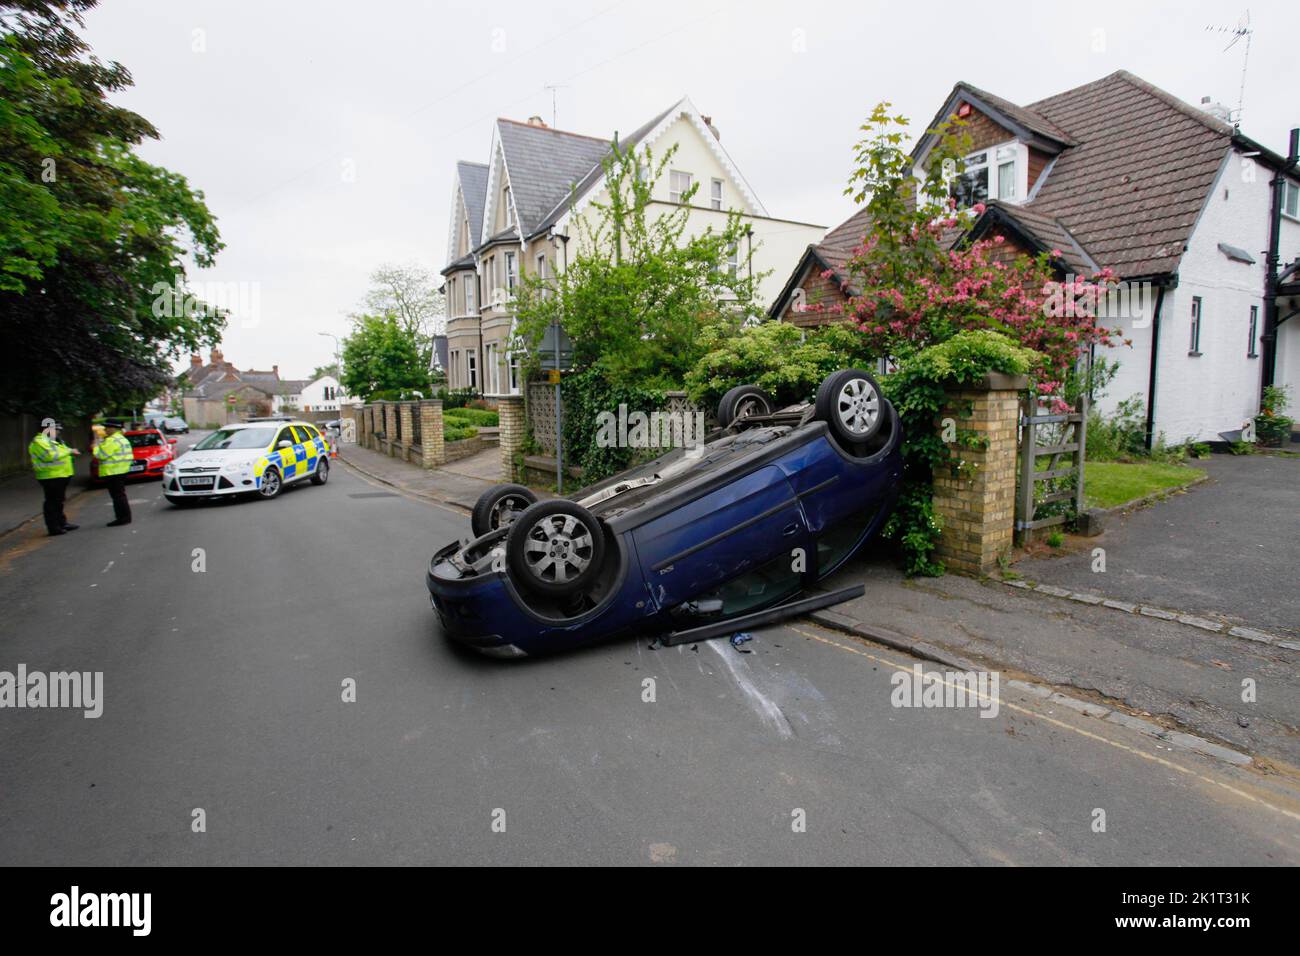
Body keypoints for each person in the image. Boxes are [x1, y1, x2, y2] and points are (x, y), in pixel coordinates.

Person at [28, 418, 81, 537]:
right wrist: (70, 451)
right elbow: (50, 456)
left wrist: (71, 453)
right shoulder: (39, 441)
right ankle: (54, 527)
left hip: (60, 475)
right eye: (56, 429)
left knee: (59, 501)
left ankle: (62, 523)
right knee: (52, 502)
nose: (58, 432)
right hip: (50, 476)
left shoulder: (53, 440)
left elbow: (63, 451)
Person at [93, 420, 134, 527]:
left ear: (113, 428)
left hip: (112, 472)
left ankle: (122, 518)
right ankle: (125, 517)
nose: (105, 430)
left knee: (117, 497)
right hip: (121, 471)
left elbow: (101, 455)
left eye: (107, 428)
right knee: (120, 495)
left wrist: (95, 448)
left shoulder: (111, 440)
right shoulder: (122, 439)